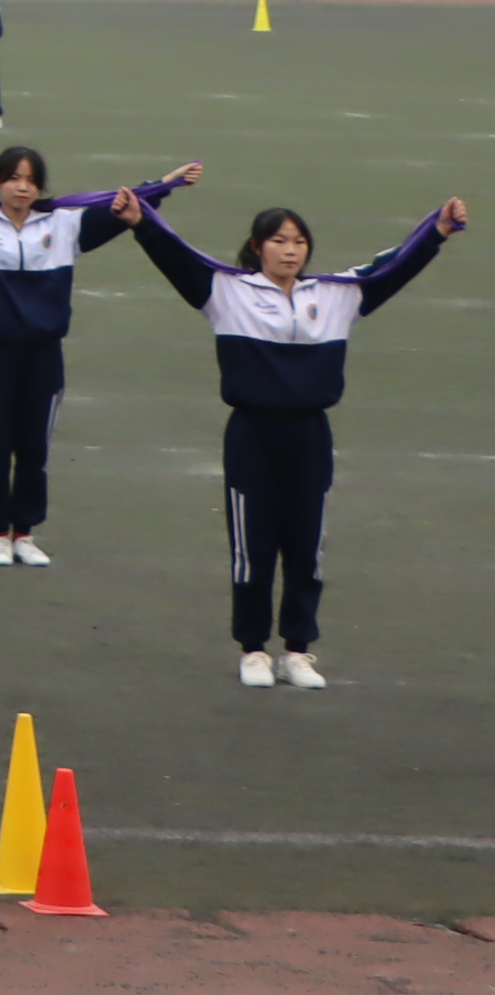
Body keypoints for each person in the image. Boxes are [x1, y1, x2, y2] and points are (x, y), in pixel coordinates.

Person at [131, 191, 469, 686]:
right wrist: (142, 223)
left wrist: (435, 231)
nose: (291, 250)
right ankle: (252, 649)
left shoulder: (336, 295)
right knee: (253, 545)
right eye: (279, 240)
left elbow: (390, 269)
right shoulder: (225, 293)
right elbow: (177, 256)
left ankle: (297, 650)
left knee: (307, 545)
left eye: (299, 241)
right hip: (251, 434)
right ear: (257, 246)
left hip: (310, 435)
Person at [0, 144, 195, 566]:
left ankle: (26, 533)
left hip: (43, 356)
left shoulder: (66, 224)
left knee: (34, 448)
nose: (23, 187)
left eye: (31, 180)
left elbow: (121, 206)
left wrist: (165, 183)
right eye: (14, 178)